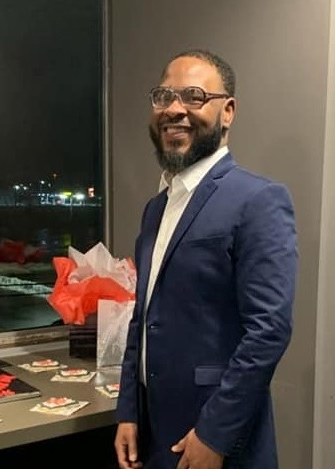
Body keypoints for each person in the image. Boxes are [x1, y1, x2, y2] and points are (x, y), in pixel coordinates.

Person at [114, 49, 298, 469]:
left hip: (217, 440)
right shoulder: (155, 208)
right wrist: (128, 409)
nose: (174, 109)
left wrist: (214, 435)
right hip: (152, 434)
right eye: (163, 96)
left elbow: (268, 330)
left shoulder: (258, 200)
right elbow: (142, 318)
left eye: (194, 96)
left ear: (227, 111)